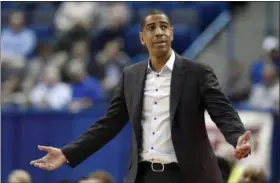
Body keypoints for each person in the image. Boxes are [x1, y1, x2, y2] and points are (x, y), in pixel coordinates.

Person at [30, 10, 251, 183]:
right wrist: (67, 153)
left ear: (172, 33)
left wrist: (237, 136)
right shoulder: (131, 75)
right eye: (151, 28)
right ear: (142, 38)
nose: (159, 32)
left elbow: (223, 111)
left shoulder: (197, 72)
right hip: (145, 175)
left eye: (164, 27)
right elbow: (109, 124)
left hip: (190, 175)